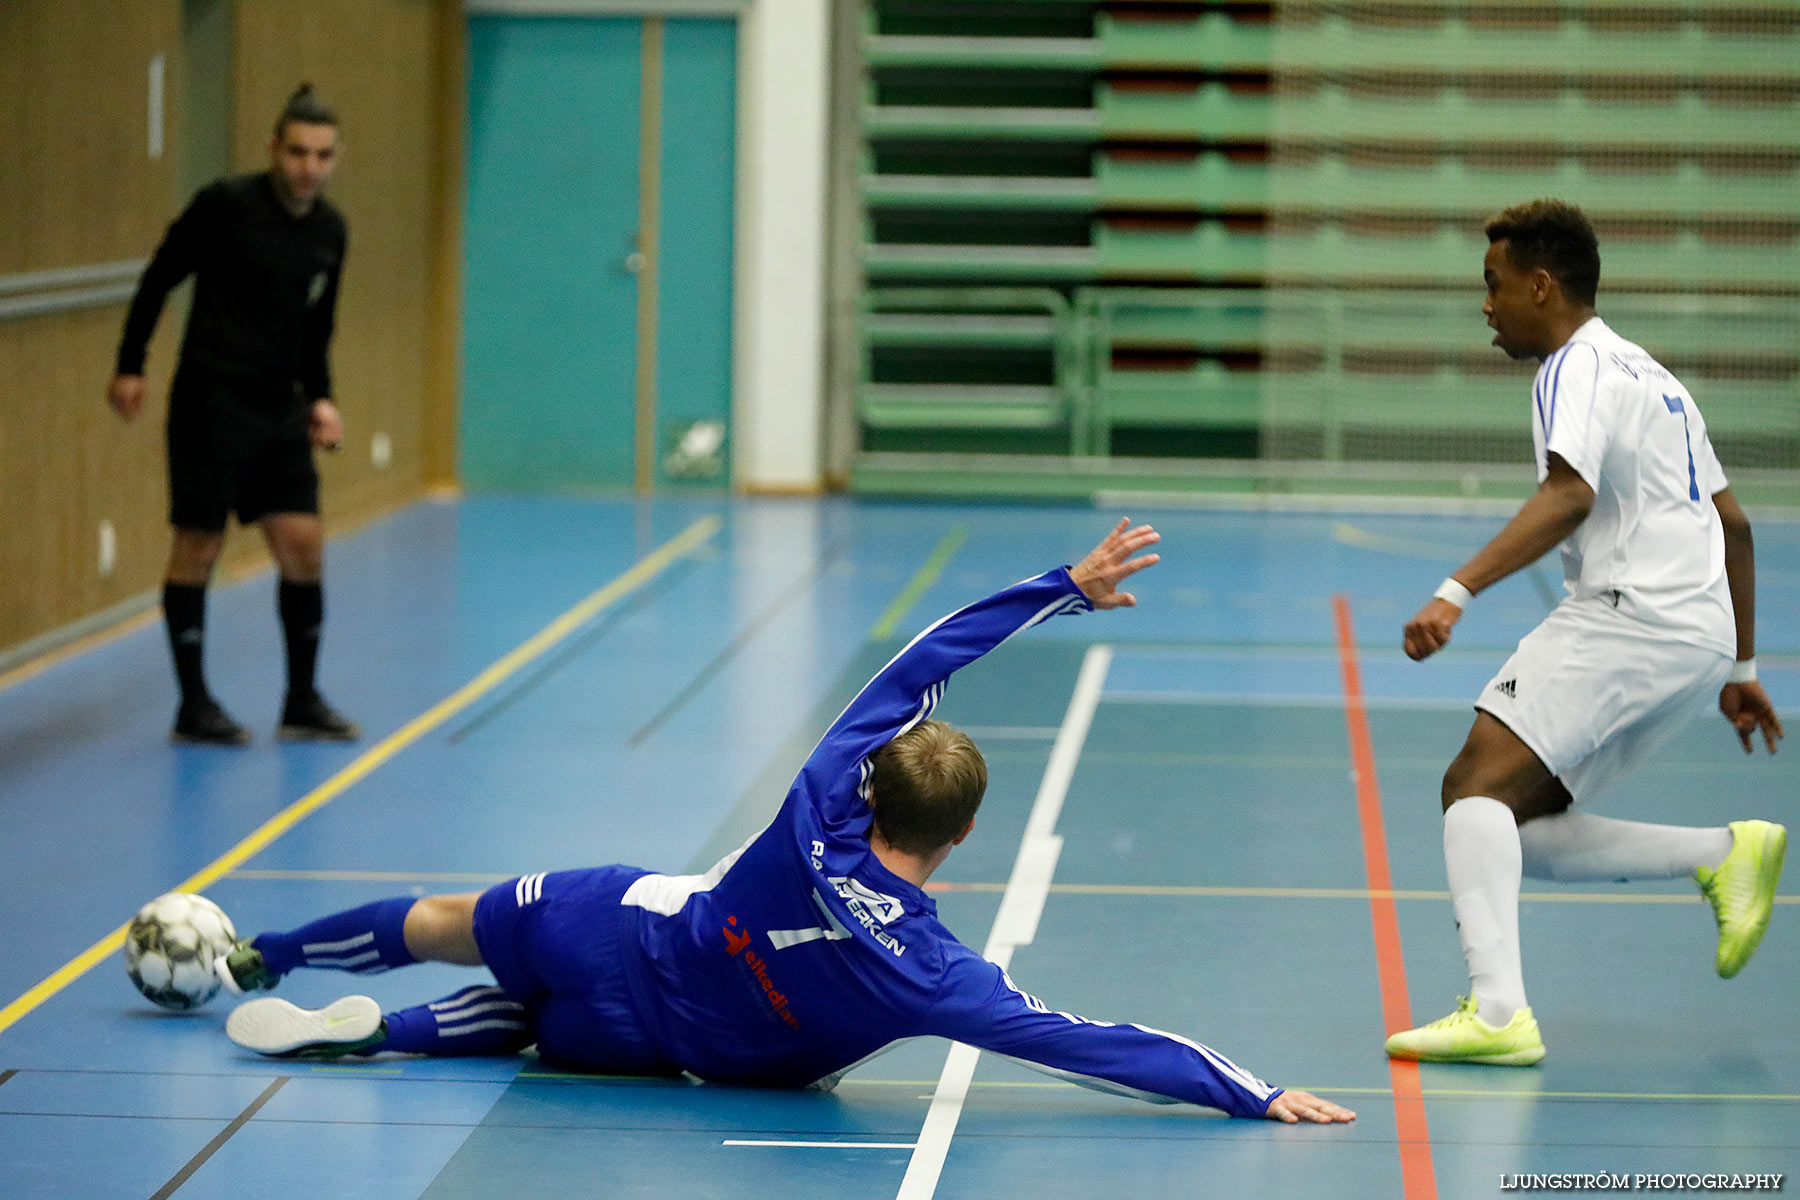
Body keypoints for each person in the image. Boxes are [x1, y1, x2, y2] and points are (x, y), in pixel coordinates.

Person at [216, 520, 1354, 1125]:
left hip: (607, 928)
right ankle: (398, 1037)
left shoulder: (820, 806)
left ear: (874, 789)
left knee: (450, 918)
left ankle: (265, 954)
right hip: (660, 1049)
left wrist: (1063, 583)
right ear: (956, 838)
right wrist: (1249, 1090)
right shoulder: (936, 976)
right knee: (521, 1024)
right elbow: (1090, 1044)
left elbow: (926, 660)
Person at [1385, 199, 1786, 1067]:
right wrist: (1740, 663)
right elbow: (1736, 526)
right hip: (1696, 634)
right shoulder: (1657, 378)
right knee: (1516, 823)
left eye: (1493, 286)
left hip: (1631, 615)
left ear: (1541, 285)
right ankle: (1724, 852)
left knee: (1473, 786)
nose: (1485, 306)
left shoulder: (1570, 369)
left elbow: (1569, 496)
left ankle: (1498, 1016)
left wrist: (1457, 591)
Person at [107, 84, 359, 746]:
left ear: (336, 159)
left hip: (280, 407)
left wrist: (322, 397)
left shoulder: (331, 231)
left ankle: (301, 699)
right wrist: (131, 363)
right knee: (198, 545)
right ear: (274, 149)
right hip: (210, 402)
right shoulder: (225, 206)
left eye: (323, 155)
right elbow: (160, 276)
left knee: (303, 546)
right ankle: (194, 705)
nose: (309, 166)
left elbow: (317, 328)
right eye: (298, 151)